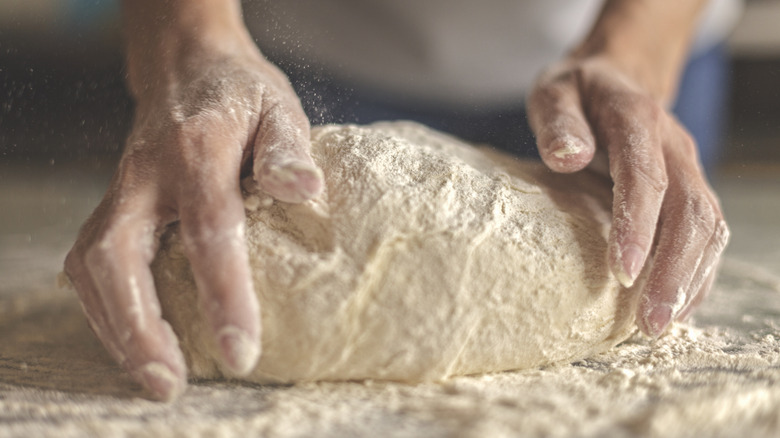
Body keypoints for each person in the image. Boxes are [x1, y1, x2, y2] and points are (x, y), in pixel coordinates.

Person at [63, 0, 735, 401]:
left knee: (633, 239)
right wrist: (190, 42)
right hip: (319, 39)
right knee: (236, 214)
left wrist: (633, 55)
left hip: (607, 53)